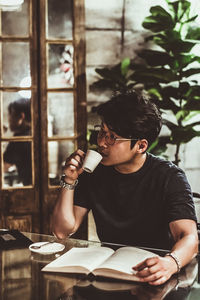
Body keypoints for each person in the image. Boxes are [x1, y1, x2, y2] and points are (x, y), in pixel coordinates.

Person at [52, 90, 198, 286]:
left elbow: (189, 236)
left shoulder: (169, 177)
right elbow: (62, 231)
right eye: (102, 132)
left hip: (155, 274)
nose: (102, 142)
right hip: (110, 274)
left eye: (112, 137)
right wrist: (69, 181)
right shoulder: (93, 172)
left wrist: (171, 263)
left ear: (141, 146)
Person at [3, 98, 32, 186]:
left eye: (10, 114)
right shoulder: (34, 133)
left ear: (21, 116)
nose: (9, 119)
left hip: (30, 190)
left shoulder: (19, 139)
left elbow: (3, 167)